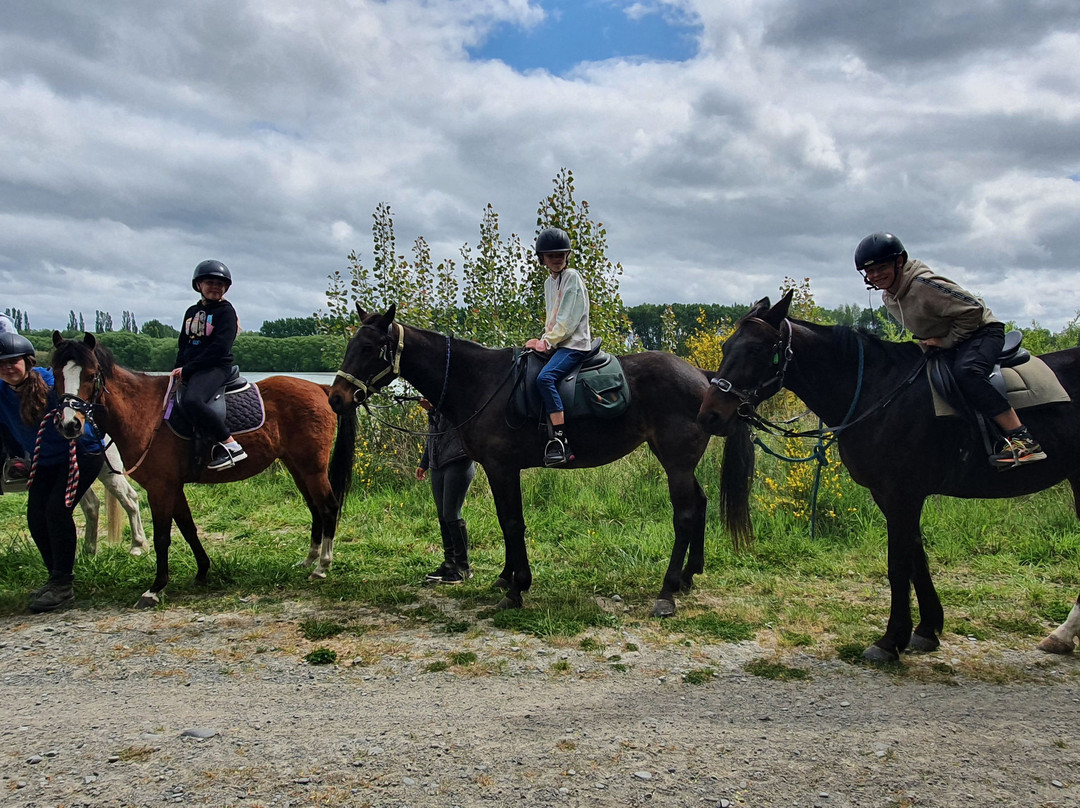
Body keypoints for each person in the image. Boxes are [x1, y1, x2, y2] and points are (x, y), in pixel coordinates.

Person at [855, 232, 1046, 467]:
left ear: (900, 262)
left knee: (968, 373)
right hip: (952, 338)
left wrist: (946, 341)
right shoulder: (889, 296)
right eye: (869, 271)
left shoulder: (923, 284)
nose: (875, 276)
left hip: (982, 332)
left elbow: (973, 309)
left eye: (881, 267)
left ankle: (1023, 439)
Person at [0, 332, 104, 612]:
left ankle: (63, 586)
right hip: (44, 461)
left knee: (57, 511)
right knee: (36, 516)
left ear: (28, 361)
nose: (8, 368)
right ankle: (55, 578)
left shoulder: (50, 382)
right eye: (2, 363)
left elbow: (76, 399)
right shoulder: (1, 391)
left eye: (14, 361)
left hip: (81, 454)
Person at [524, 227, 592, 467]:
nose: (556, 259)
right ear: (541, 258)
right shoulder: (548, 283)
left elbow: (568, 320)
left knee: (545, 379)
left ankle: (561, 440)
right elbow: (551, 318)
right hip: (558, 343)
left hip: (574, 344)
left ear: (567, 255)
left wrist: (547, 342)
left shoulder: (572, 276)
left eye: (560, 254)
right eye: (550, 255)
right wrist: (542, 340)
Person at [172, 259, 247, 471]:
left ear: (226, 288)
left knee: (192, 401)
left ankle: (230, 444)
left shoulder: (226, 312)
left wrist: (188, 369)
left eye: (220, 284)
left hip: (215, 367)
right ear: (199, 286)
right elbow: (183, 344)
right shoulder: (191, 312)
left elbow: (219, 349)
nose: (215, 287)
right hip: (192, 368)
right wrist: (178, 369)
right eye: (210, 283)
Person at [415, 397, 476, 583]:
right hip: (438, 464)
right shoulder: (437, 405)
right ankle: (449, 564)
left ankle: (463, 567)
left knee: (451, 514)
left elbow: (461, 417)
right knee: (443, 515)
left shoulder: (457, 398)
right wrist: (424, 463)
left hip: (458, 460)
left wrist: (435, 406)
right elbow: (432, 434)